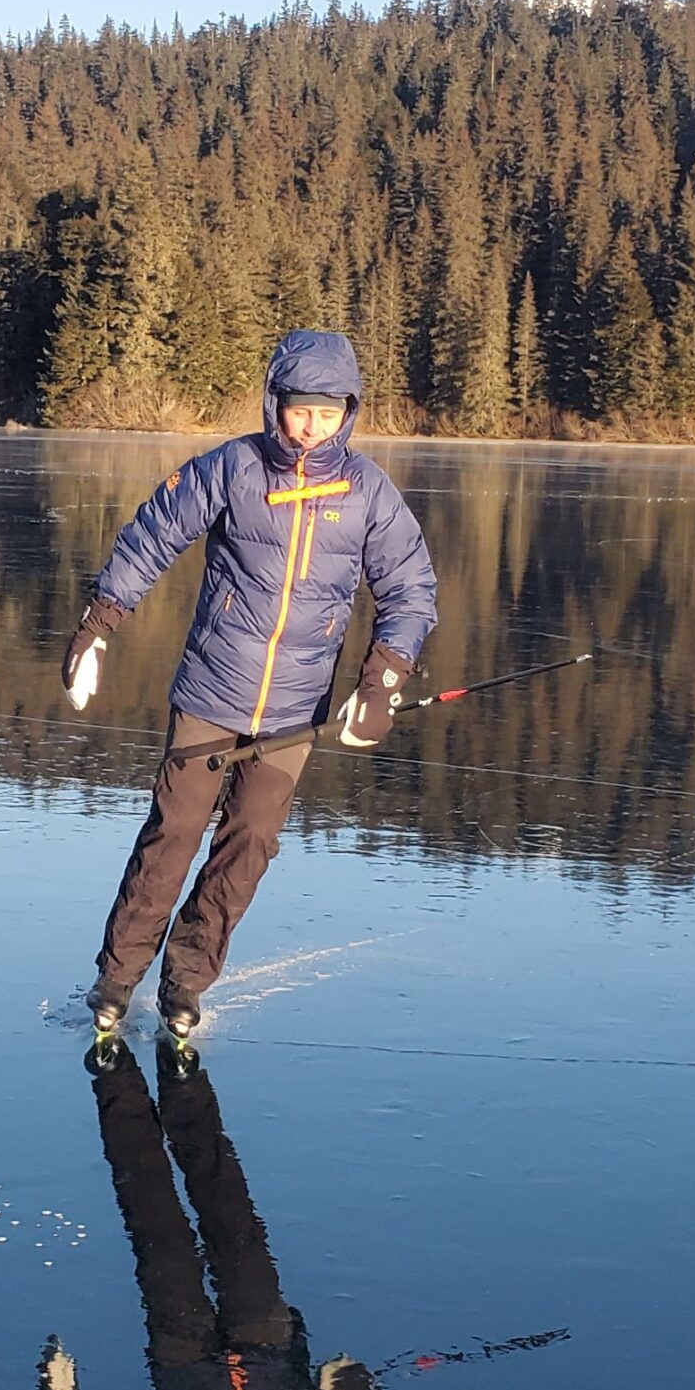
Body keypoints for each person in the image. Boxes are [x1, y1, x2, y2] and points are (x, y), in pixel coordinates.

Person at [63, 329, 438, 1040]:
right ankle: (116, 978)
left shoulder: (366, 492)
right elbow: (154, 534)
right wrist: (99, 624)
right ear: (275, 403)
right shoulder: (235, 467)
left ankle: (185, 982)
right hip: (212, 689)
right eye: (300, 411)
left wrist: (383, 679)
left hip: (297, 710)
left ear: (348, 412)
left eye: (327, 413)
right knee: (173, 833)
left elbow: (411, 589)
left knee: (249, 846)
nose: (311, 427)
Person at [37, 1040, 402, 1390]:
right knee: (234, 1229)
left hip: (185, 1368)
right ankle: (184, 1081)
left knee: (160, 1237)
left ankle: (115, 1076)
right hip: (270, 1356)